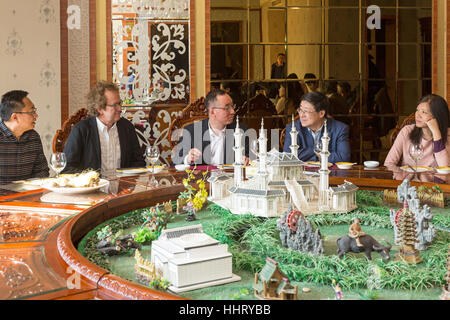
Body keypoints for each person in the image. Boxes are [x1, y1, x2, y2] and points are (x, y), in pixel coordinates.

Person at [63, 81, 145, 175]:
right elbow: (67, 169)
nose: (120, 109)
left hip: (123, 187)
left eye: (119, 103)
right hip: (93, 188)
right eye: (114, 105)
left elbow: (139, 163)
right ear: (99, 108)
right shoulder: (81, 130)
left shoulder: (127, 127)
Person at [173, 89, 250, 166]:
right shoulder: (191, 131)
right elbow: (175, 162)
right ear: (212, 111)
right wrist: (188, 159)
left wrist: (246, 160)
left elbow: (251, 159)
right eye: (227, 108)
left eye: (233, 106)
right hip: (202, 177)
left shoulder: (241, 131)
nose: (233, 111)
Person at [283, 91, 351, 163]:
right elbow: (288, 156)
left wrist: (306, 154)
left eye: (306, 111)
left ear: (321, 113)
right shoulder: (293, 128)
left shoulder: (340, 129)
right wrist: (316, 151)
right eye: (300, 110)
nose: (301, 115)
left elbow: (344, 158)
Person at [384, 94, 450, 168]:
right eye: (417, 110)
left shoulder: (448, 135)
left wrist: (436, 133)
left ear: (437, 116)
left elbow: (445, 169)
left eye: (424, 112)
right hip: (408, 178)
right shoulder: (407, 131)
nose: (417, 115)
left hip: (435, 179)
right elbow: (389, 163)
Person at [0, 90, 49, 185]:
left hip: (27, 197)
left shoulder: (33, 137)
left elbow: (41, 172)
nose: (36, 115)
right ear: (14, 117)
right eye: (32, 112)